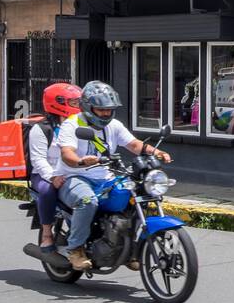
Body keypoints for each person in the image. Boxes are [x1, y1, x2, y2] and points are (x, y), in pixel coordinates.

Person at [53, 80, 171, 271]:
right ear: (88, 107)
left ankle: (130, 249)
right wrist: (81, 161)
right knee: (87, 201)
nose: (106, 113)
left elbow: (133, 144)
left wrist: (155, 152)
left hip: (105, 177)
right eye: (101, 109)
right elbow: (67, 154)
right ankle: (75, 249)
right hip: (74, 178)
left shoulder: (114, 125)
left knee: (135, 194)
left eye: (109, 109)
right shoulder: (72, 125)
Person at [29, 82, 82, 253]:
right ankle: (46, 234)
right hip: (45, 175)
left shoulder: (80, 125)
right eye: (74, 103)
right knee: (47, 191)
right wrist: (53, 177)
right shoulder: (42, 129)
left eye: (79, 102)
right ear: (58, 103)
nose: (79, 107)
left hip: (73, 171)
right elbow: (38, 159)